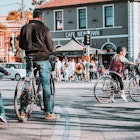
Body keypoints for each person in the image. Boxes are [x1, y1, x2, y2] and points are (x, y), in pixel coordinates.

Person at [19, 9, 59, 120]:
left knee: (27, 81)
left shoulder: (25, 28)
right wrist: (53, 51)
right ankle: (49, 112)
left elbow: (21, 45)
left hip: (30, 58)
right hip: (42, 58)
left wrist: (29, 48)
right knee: (46, 85)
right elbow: (50, 46)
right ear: (41, 17)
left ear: (33, 16)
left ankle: (22, 110)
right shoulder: (44, 28)